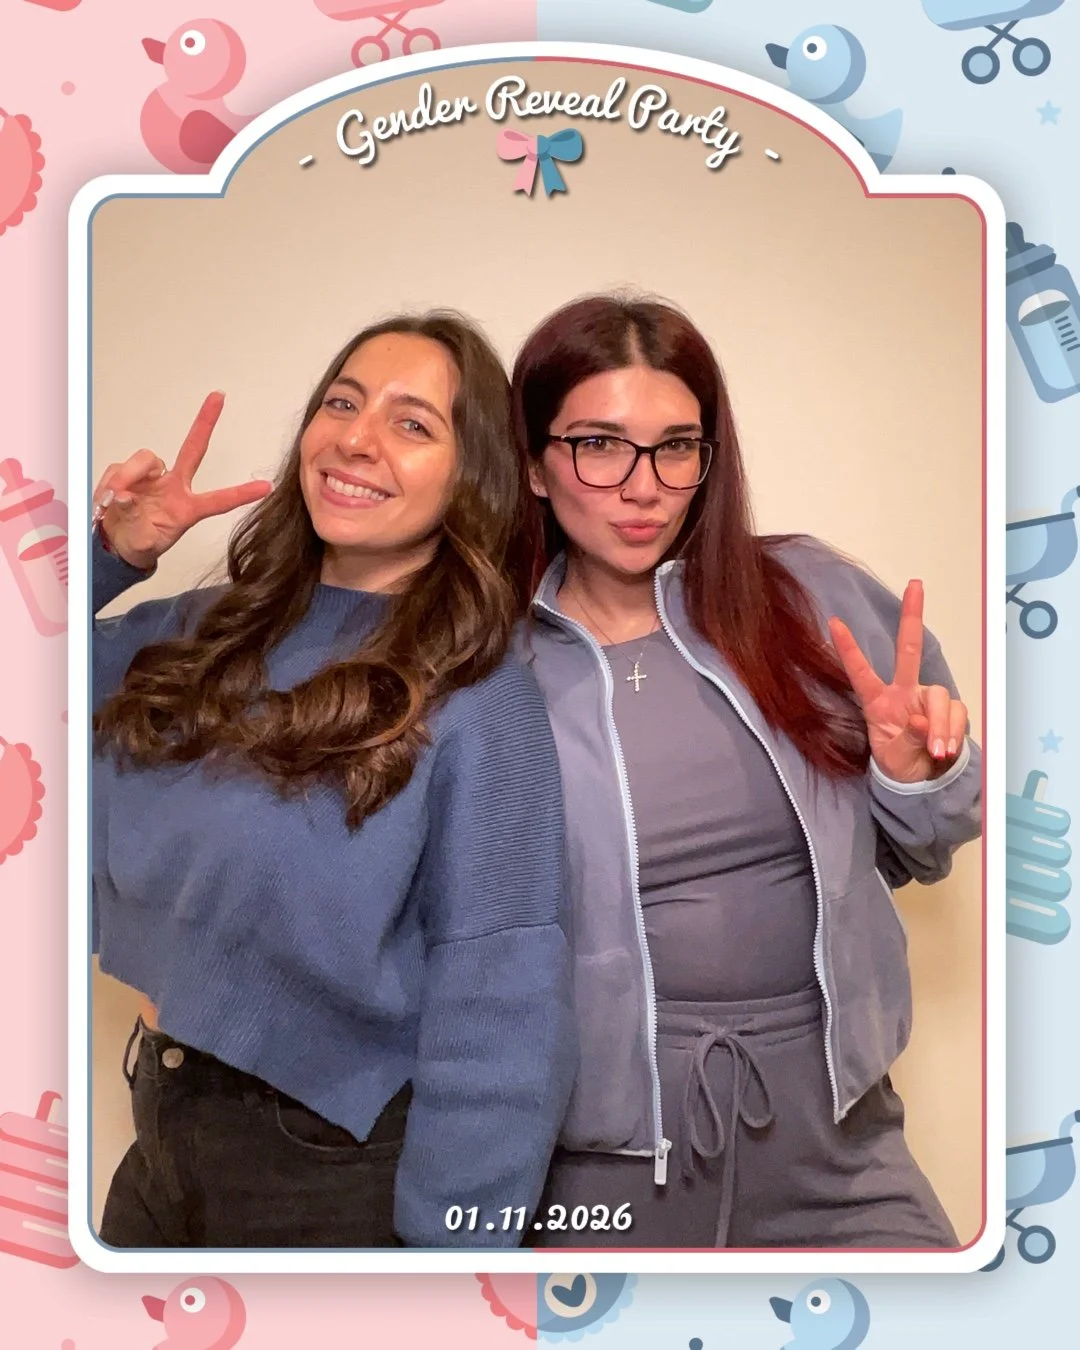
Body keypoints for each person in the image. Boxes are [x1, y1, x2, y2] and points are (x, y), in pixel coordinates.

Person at [91, 312, 576, 1249]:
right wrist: (115, 555)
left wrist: (452, 1265)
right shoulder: (198, 630)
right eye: (342, 402)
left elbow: (505, 1000)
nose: (355, 437)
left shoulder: (480, 695)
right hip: (160, 1125)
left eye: (412, 423)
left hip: (330, 1168)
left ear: (467, 474)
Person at [508, 294, 982, 1249]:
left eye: (677, 446)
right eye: (600, 445)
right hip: (601, 1159)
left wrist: (914, 777)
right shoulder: (487, 663)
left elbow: (922, 852)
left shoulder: (811, 601)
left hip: (835, 1137)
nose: (643, 487)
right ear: (534, 463)